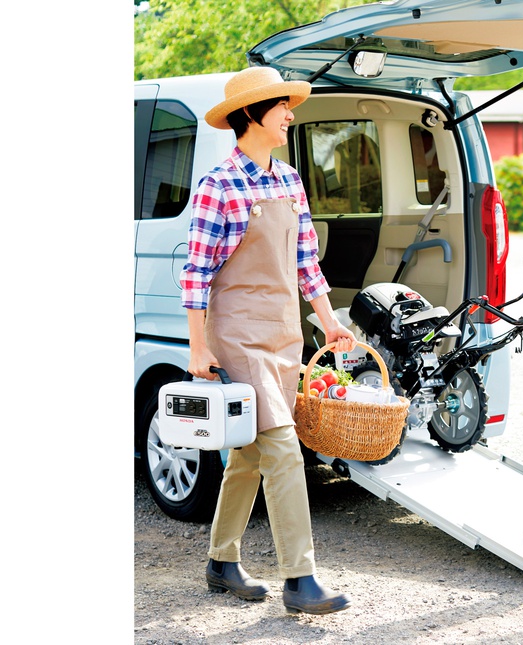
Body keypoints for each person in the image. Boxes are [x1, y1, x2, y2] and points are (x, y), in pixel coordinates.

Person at [180, 66, 358, 614]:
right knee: (282, 447)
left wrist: (328, 320)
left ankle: (221, 560)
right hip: (236, 335)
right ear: (252, 114)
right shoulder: (219, 185)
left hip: (282, 333)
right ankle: (299, 578)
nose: (290, 113)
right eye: (282, 106)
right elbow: (195, 273)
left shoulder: (289, 180)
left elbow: (306, 261)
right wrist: (198, 347)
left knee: (249, 455)